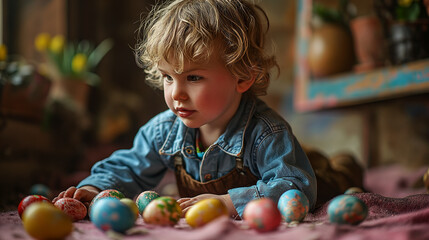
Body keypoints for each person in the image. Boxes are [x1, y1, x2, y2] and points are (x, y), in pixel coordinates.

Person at [53, 0, 317, 218]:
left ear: (242, 77)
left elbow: (296, 187)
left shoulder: (266, 133)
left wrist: (226, 202)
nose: (175, 93)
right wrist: (93, 186)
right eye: (168, 77)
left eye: (193, 78)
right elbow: (130, 168)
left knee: (327, 173)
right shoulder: (164, 131)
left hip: (310, 173)